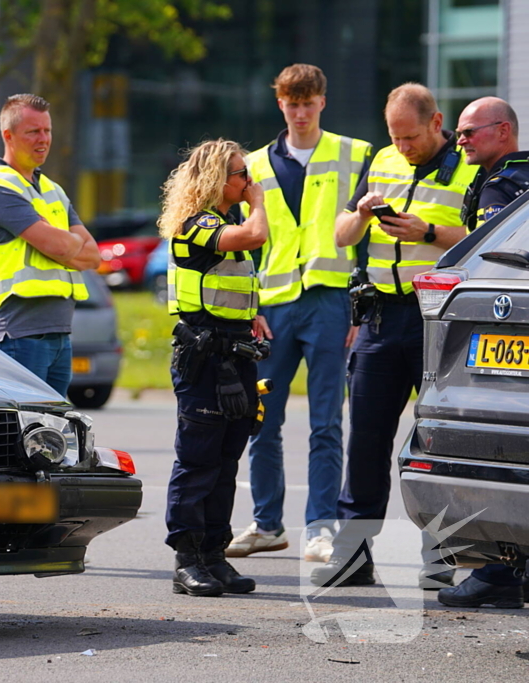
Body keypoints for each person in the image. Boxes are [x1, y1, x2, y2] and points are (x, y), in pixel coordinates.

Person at [311, 83, 478, 588]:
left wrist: (428, 233)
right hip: (381, 318)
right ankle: (352, 553)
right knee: (365, 439)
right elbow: (341, 234)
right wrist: (363, 214)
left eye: (411, 137)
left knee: (438, 441)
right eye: (395, 137)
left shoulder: (469, 167)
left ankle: (441, 557)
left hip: (440, 322)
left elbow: (484, 239)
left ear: (436, 123)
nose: (402, 147)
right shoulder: (382, 160)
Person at [227, 64, 372, 564]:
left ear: (323, 102)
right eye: (293, 104)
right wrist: (249, 307)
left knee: (326, 422)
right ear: (280, 104)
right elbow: (243, 246)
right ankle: (267, 524)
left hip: (330, 302)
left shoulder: (355, 154)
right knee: (262, 420)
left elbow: (366, 234)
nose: (301, 113)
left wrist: (358, 304)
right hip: (271, 306)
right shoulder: (253, 165)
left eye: (309, 103)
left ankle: (321, 529)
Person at [160, 139, 269, 597]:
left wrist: (254, 315)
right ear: (216, 180)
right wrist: (260, 202)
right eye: (241, 174)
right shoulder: (197, 223)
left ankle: (214, 555)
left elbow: (227, 285)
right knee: (198, 461)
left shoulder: (227, 222)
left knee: (226, 462)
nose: (248, 181)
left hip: (235, 355)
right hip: (204, 359)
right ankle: (187, 561)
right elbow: (256, 236)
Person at [437, 96, 529, 609]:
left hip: (505, 328)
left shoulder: (506, 185)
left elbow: (497, 266)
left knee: (497, 452)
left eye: (470, 131)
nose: (461, 140)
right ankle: (502, 570)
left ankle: (499, 570)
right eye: (459, 132)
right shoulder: (506, 179)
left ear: (503, 131)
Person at [0, 94, 100, 396]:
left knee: (52, 424)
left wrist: (58, 241)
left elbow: (93, 256)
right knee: (25, 423)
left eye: (47, 130)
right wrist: (64, 243)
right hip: (17, 334)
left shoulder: (52, 189)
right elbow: (63, 248)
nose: (43, 139)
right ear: (8, 136)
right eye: (33, 131)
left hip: (58, 334)